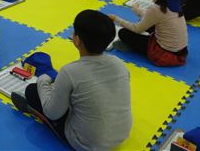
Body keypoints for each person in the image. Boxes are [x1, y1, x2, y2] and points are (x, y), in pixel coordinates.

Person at [11, 10, 132, 150]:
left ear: (77, 40)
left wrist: (42, 80)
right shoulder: (119, 63)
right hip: (122, 135)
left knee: (32, 91)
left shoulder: (69, 71)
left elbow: (52, 113)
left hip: (86, 144)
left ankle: (32, 109)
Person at [109, 0, 188, 67]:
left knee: (123, 33)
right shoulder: (172, 4)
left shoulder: (156, 9)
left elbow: (137, 29)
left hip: (163, 53)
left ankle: (135, 48)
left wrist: (116, 19)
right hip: (180, 51)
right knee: (145, 22)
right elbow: (151, 17)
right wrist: (136, 10)